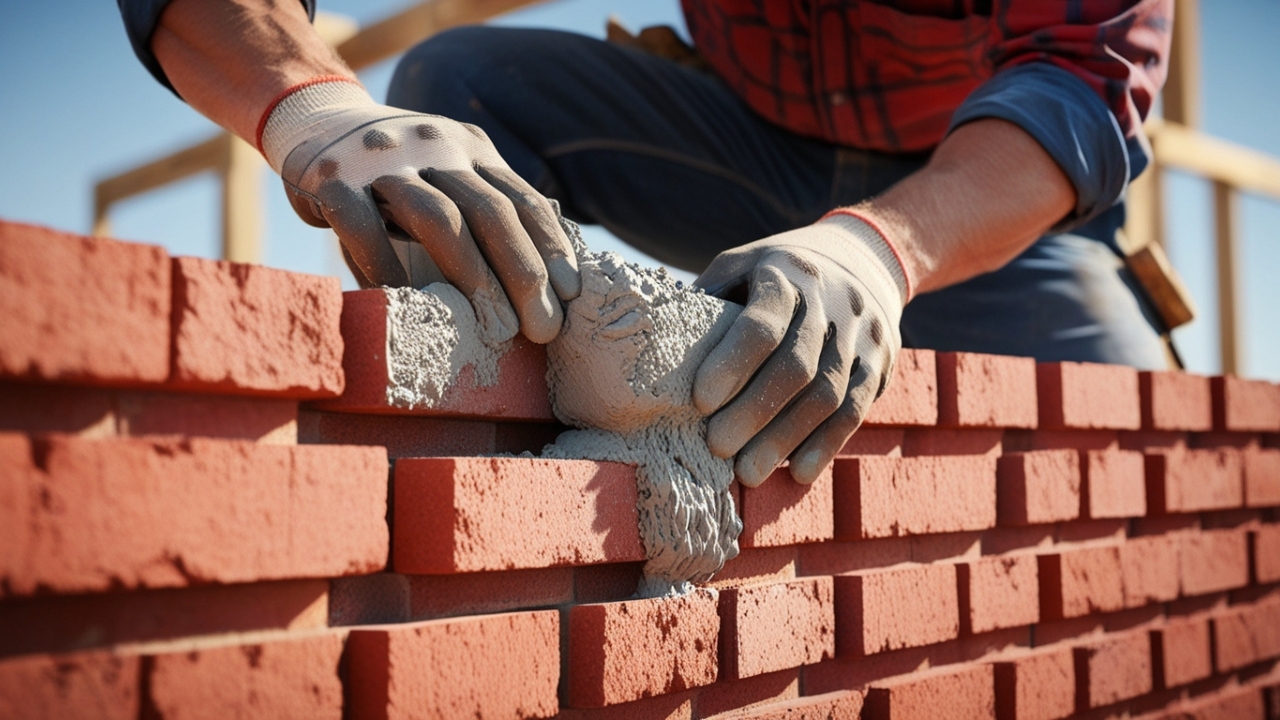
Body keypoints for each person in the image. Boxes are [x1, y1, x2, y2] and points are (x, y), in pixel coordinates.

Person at [118, 0, 1173, 487]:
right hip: (738, 153)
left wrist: (875, 253)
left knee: (1141, 461)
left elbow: (1081, 79)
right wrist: (307, 107)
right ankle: (507, 457)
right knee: (458, 84)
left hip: (970, 184)